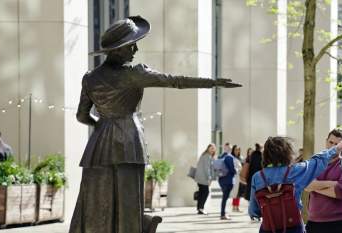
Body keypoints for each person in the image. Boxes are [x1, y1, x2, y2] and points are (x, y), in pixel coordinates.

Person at [70, 16, 241, 233]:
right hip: (129, 144)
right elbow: (175, 80)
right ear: (118, 50)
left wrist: (101, 127)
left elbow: (81, 116)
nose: (136, 49)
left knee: (96, 202)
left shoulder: (90, 78)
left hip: (98, 148)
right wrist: (213, 83)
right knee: (128, 203)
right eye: (131, 45)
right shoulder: (134, 75)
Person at [248, 137, 342, 233]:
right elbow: (317, 161)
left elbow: (254, 210)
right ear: (287, 153)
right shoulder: (295, 171)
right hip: (293, 227)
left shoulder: (257, 177)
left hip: (269, 227)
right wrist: (336, 148)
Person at [305, 128, 342, 233]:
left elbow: (341, 192)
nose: (333, 146)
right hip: (313, 221)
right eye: (331, 142)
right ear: (326, 141)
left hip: (337, 223)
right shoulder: (315, 162)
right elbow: (304, 184)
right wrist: (333, 184)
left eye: (337, 144)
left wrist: (313, 186)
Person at [194, 144, 217, 215]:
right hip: (203, 178)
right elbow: (207, 169)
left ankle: (199, 208)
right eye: (211, 148)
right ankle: (201, 208)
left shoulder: (205, 155)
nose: (212, 150)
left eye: (213, 148)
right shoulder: (207, 156)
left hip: (200, 178)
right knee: (205, 192)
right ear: (208, 149)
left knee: (201, 193)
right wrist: (209, 178)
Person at [218, 143, 237, 220]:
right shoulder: (229, 157)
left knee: (224, 197)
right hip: (228, 180)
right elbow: (232, 169)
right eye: (229, 148)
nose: (230, 149)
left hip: (221, 179)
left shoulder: (220, 156)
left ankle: (223, 213)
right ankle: (223, 214)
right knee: (225, 198)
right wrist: (235, 171)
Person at [231, 145, 245, 212]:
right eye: (236, 149)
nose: (237, 151)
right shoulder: (231, 158)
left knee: (239, 192)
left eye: (238, 149)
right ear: (233, 150)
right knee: (235, 192)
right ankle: (234, 207)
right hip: (235, 177)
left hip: (240, 177)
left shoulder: (241, 158)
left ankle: (237, 207)